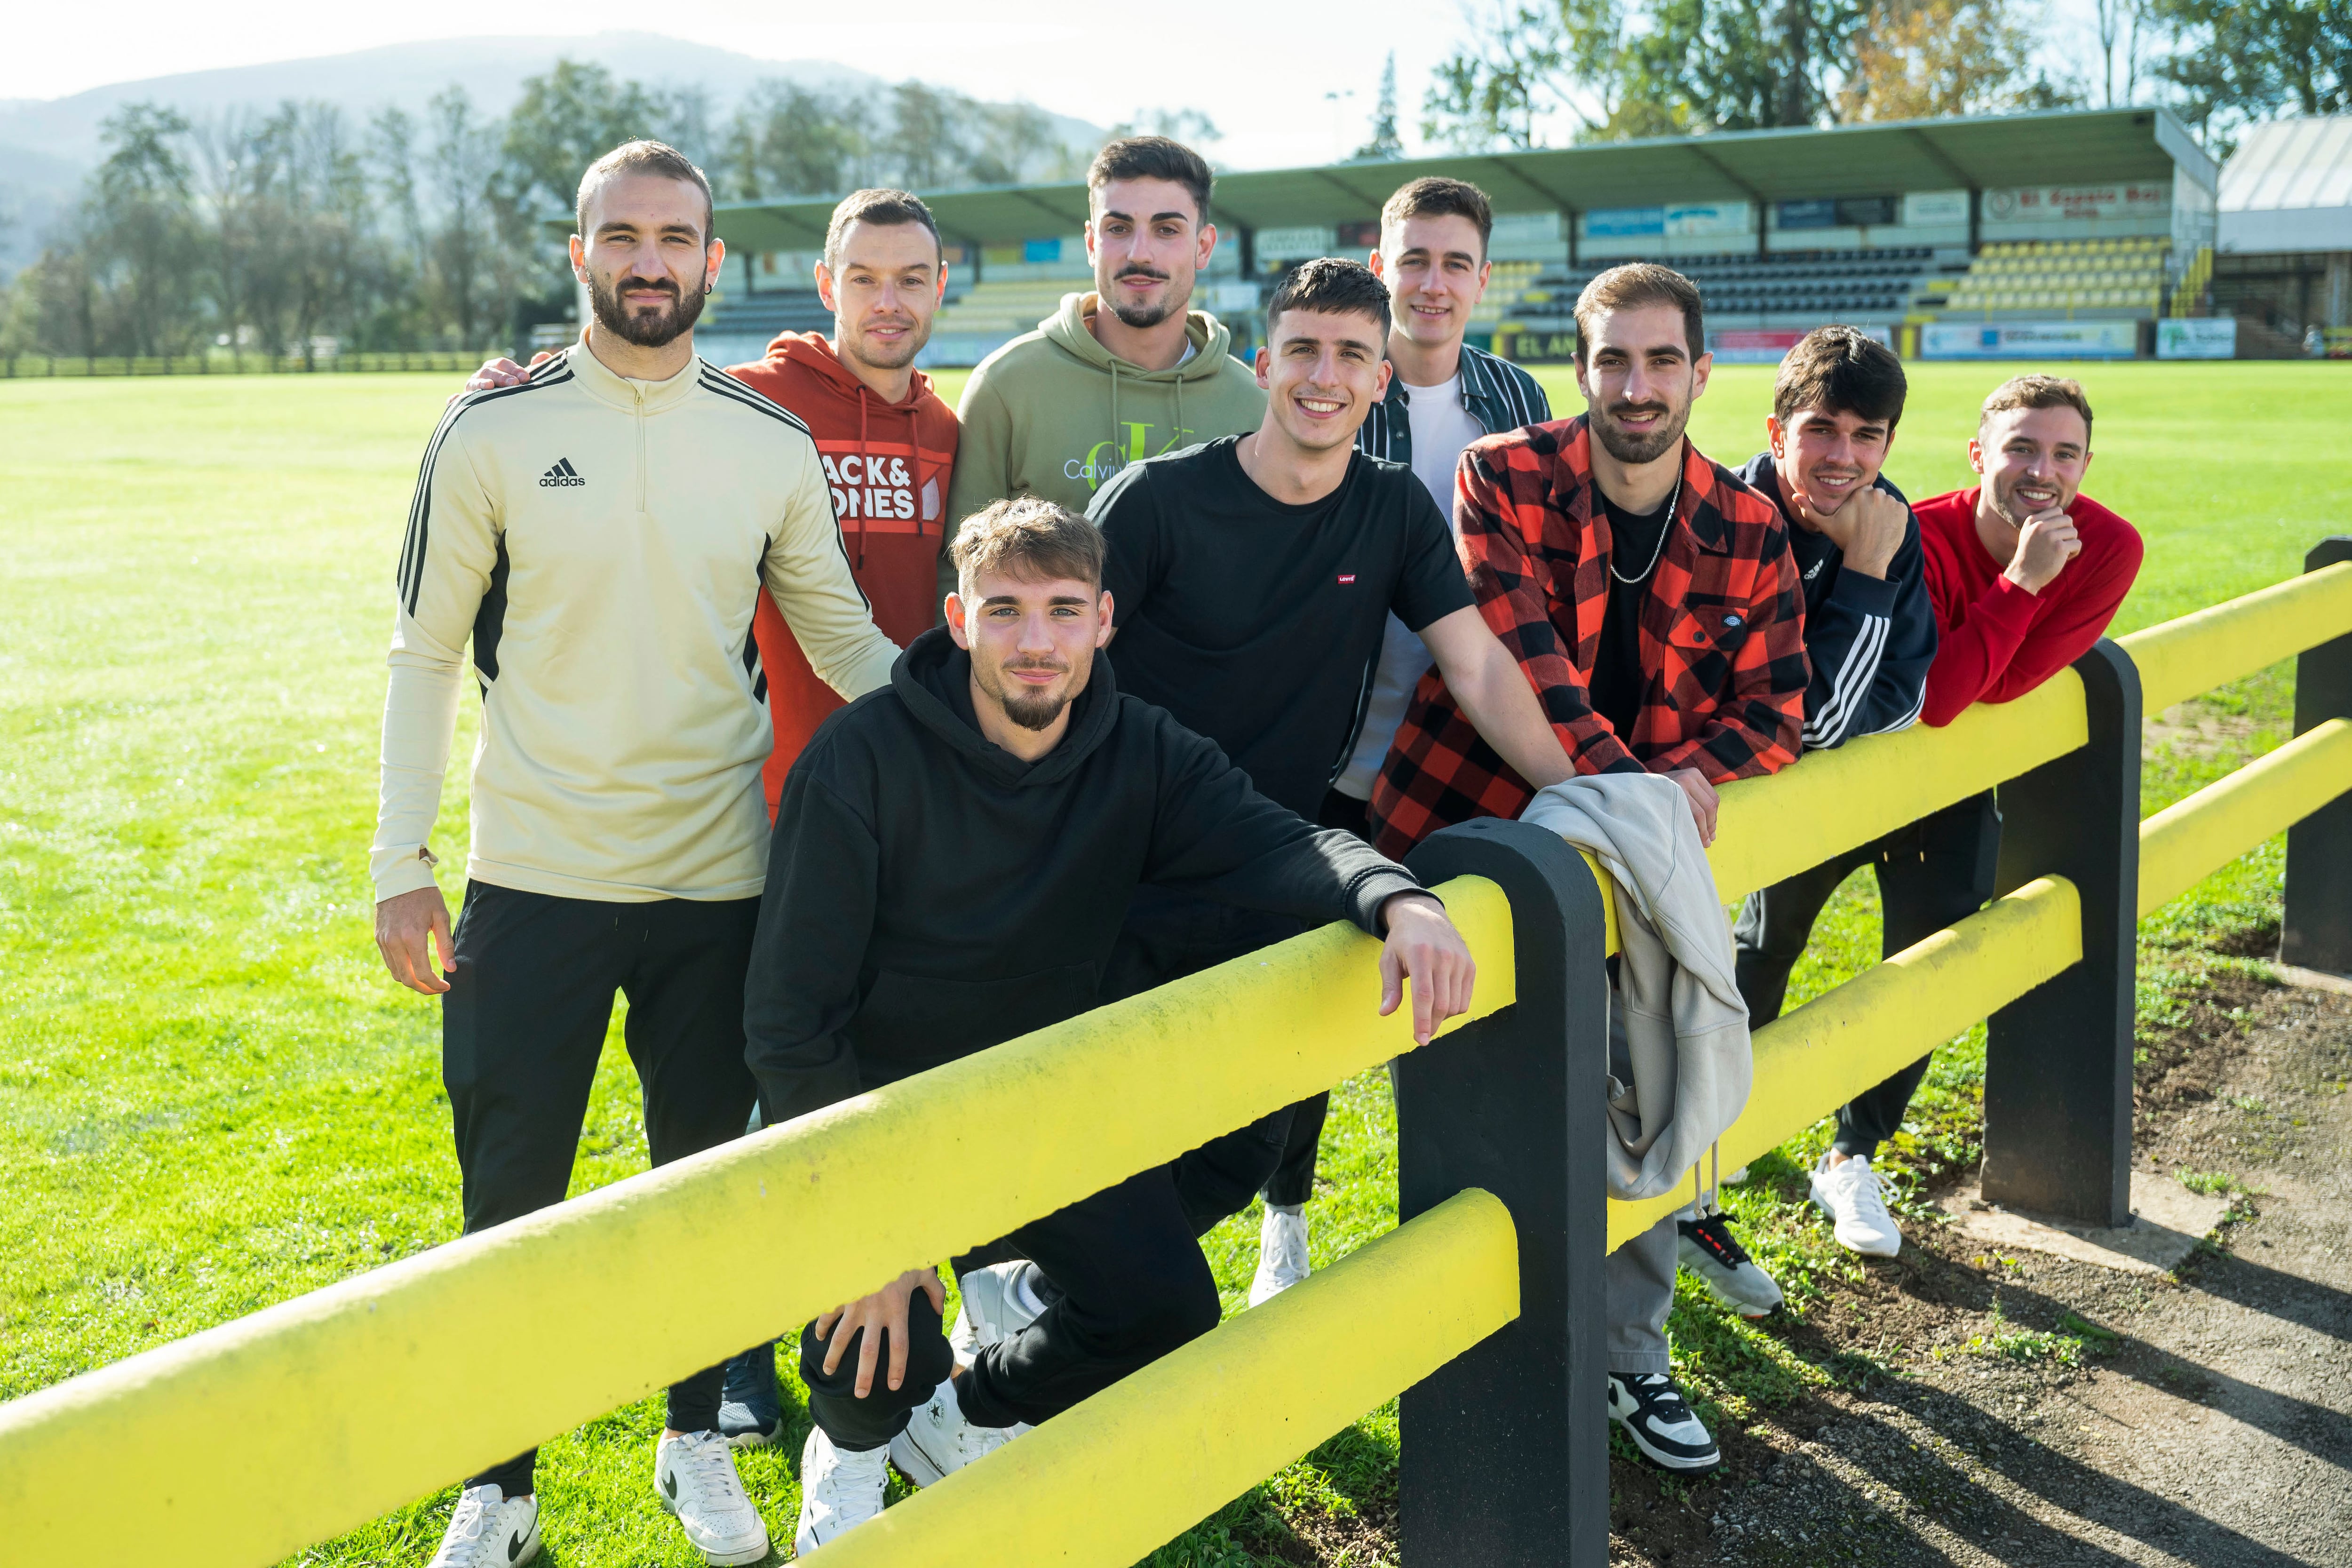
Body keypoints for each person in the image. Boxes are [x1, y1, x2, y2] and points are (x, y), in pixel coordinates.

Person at [746, 496, 1478, 1554]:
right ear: (956, 620)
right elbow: (788, 1023)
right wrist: (874, 1222)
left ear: (1103, 621)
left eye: (1061, 610)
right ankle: (852, 1457)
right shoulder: (861, 762)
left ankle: (964, 1413)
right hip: (880, 1112)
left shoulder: (1136, 744)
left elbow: (1274, 838)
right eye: (1004, 611)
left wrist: (1397, 897)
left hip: (1044, 1101)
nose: (1034, 642)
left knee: (1164, 1311)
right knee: (878, 1338)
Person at [371, 140, 901, 1568]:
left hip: (719, 884)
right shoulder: (487, 431)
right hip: (530, 879)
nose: (650, 259)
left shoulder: (766, 442)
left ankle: (688, 1442)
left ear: (715, 262)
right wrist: (396, 861)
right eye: (623, 236)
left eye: (677, 236)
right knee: (510, 1202)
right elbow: (423, 652)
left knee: (700, 1187)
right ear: (580, 254)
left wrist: (994, 725)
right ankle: (503, 1487)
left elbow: (843, 641)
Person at [464, 187, 962, 1445]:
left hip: (898, 816)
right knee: (735, 1104)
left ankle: (884, 1354)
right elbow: (635, 385)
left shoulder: (953, 432)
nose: (889, 299)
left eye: (913, 277)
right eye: (866, 276)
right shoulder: (759, 399)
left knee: (859, 1093)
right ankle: (729, 1369)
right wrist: (526, 391)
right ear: (825, 282)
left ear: (943, 288)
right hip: (753, 810)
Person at [1372, 263, 1808, 1474]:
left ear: (1701, 374)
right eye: (1613, 359)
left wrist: (1677, 790)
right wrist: (1647, 803)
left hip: (1640, 870)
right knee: (1468, 1105)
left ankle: (1631, 1359)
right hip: (1480, 836)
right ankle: (1468, 1366)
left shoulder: (1747, 519)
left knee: (1642, 1083)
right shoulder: (1499, 478)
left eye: (1662, 361)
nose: (1637, 385)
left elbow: (1777, 710)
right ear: (1580, 368)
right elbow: (1526, 671)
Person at [1241, 176, 1552, 1301]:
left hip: (1469, 749)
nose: (1431, 282)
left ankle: (1478, 1222)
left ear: (1480, 278)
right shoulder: (1328, 392)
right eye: (1412, 258)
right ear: (1381, 266)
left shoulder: (1515, 396)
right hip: (1330, 748)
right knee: (1314, 986)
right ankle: (1287, 1213)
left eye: (1454, 262)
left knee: (1467, 974)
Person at [1763, 373, 2141, 1259]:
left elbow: (1997, 687)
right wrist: (2019, 583)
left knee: (1925, 968)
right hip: (1841, 779)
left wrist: (2010, 598)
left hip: (1951, 790)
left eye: (2064, 454)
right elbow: (1941, 696)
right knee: (1760, 948)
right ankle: (1722, 1134)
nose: (2041, 472)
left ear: (2087, 465)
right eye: (2020, 448)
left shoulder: (2111, 547)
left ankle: (1852, 1152)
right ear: (1979, 456)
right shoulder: (1919, 533)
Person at [1672, 326, 1939, 1317]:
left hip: (1773, 805)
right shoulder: (1715, 515)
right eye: (1819, 428)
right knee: (1694, 998)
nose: (1841, 456)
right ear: (1776, 426)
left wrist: (1870, 577)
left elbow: (1893, 704)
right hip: (1680, 809)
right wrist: (1865, 582)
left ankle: (1733, 1181)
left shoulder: (1887, 523)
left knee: (1723, 996)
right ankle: (1688, 1184)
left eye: (1866, 436)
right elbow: (1819, 720)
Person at [939, 135, 1265, 589]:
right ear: (1092, 242)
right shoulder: (1007, 386)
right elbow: (959, 576)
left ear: (1204, 247)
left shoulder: (1253, 405)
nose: (1140, 253)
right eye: (1118, 228)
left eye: (1167, 229)